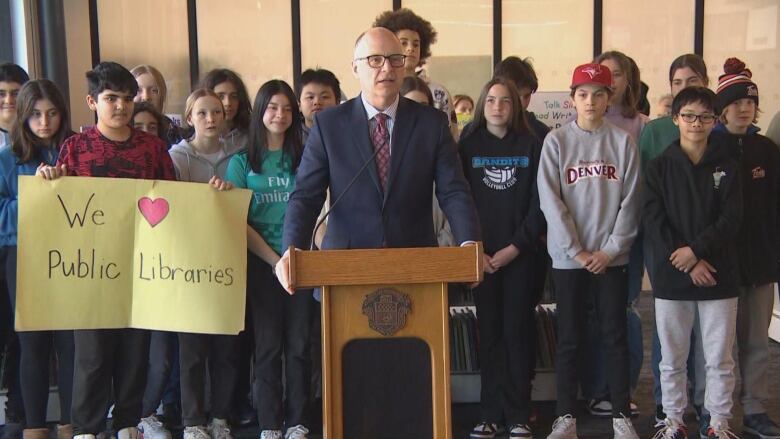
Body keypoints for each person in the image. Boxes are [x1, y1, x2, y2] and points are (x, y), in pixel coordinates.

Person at [276, 27, 479, 291]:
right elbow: (305, 196)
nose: (387, 68)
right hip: (345, 271)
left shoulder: (431, 124)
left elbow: (453, 190)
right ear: (355, 68)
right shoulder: (329, 125)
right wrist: (292, 250)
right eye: (375, 60)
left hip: (416, 268)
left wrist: (468, 243)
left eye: (395, 59)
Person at [36, 61, 177, 439]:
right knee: (92, 355)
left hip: (140, 268)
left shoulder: (152, 148)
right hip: (90, 270)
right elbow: (57, 205)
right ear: (92, 102)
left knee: (135, 353)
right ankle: (87, 428)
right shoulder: (76, 148)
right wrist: (47, 180)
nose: (121, 106)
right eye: (111, 98)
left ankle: (129, 424)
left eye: (128, 99)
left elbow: (176, 201)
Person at [537, 63, 640, 439]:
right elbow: (551, 201)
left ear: (608, 98)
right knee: (569, 337)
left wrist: (610, 250)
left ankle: (620, 416)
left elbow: (631, 201)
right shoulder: (557, 142)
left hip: (612, 259)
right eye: (583, 94)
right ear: (572, 99)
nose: (591, 101)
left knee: (614, 334)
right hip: (570, 259)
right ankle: (566, 418)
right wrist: (577, 251)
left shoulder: (622, 143)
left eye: (598, 93)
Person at [644, 86, 742, 439]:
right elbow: (655, 221)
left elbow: (731, 220)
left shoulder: (728, 166)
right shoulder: (659, 168)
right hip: (672, 275)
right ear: (675, 119)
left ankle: (718, 423)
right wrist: (687, 260)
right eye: (688, 116)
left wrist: (697, 253)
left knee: (719, 359)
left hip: (719, 274)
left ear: (714, 121)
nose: (696, 123)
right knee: (672, 358)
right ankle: (672, 421)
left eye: (704, 117)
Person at [459, 77, 544, 439]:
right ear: (482, 104)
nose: (497, 107)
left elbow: (540, 206)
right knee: (489, 333)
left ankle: (518, 414)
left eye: (505, 101)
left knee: (517, 332)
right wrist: (478, 249)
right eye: (491, 100)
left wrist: (513, 249)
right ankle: (489, 413)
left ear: (516, 106)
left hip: (520, 256)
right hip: (481, 257)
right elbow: (459, 200)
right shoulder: (468, 144)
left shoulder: (531, 143)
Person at [226, 80, 310, 439]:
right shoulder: (242, 162)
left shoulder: (306, 157)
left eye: (287, 108)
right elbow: (237, 221)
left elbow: (316, 209)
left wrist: (291, 257)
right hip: (262, 264)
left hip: (303, 261)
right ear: (260, 111)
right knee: (268, 346)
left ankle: (298, 421)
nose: (280, 115)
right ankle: (271, 423)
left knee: (300, 345)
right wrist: (275, 259)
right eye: (273, 107)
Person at [0, 79, 74, 439]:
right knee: (32, 342)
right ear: (23, 116)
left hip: (74, 255)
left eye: (52, 113)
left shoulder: (75, 150)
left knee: (70, 341)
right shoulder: (7, 158)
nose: (45, 122)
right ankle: (33, 426)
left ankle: (72, 423)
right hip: (24, 255)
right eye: (36, 115)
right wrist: (37, 195)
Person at [638, 53, 710, 424]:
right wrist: (675, 248)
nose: (685, 89)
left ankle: (700, 401)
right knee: (668, 329)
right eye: (678, 83)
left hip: (705, 247)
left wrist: (698, 249)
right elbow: (649, 197)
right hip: (665, 245)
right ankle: (667, 406)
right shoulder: (654, 132)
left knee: (704, 331)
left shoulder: (715, 132)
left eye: (692, 81)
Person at [710, 57, 780, 439]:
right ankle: (715, 411)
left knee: (756, 342)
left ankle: (755, 408)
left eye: (750, 102)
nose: (744, 108)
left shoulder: (767, 150)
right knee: (719, 346)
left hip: (761, 264)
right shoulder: (709, 148)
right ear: (722, 107)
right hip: (719, 266)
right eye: (736, 101)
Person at [583, 49, 650, 419]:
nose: (608, 80)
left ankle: (622, 388)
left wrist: (619, 238)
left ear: (628, 81)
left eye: (617, 74)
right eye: (602, 73)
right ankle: (596, 389)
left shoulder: (641, 126)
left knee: (625, 311)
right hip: (588, 238)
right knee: (593, 314)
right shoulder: (580, 124)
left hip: (627, 237)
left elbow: (639, 189)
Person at [171, 88, 240, 439]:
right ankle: (193, 421)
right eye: (202, 113)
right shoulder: (177, 158)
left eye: (216, 112)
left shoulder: (239, 156)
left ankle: (221, 417)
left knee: (226, 348)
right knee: (192, 351)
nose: (211, 119)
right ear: (189, 119)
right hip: (190, 265)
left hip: (227, 261)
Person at [0, 62, 29, 439]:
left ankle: (19, 414)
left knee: (24, 337)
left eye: (15, 93)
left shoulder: (40, 147)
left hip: (22, 254)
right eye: (1, 93)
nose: (8, 100)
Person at [373, 8, 453, 117]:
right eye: (404, 43)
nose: (411, 48)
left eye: (416, 44)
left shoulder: (439, 93)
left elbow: (450, 132)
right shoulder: (380, 88)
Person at [200, 69, 252, 152]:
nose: (228, 103)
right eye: (220, 96)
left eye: (234, 96)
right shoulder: (196, 138)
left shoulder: (251, 135)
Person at [131, 65, 182, 146]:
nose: (146, 97)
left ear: (162, 95)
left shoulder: (174, 135)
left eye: (154, 90)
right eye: (138, 91)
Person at [297, 68, 341, 143]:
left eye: (324, 97)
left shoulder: (348, 134)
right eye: (310, 97)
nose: (317, 102)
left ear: (337, 102)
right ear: (299, 104)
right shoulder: (291, 138)